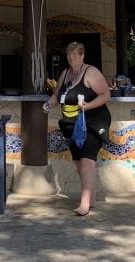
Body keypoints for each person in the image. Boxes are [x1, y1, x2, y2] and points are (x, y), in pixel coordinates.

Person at [43, 41, 111, 216]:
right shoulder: (65, 74)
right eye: (68, 54)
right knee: (78, 161)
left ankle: (84, 204)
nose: (70, 57)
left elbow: (105, 94)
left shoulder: (91, 72)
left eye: (74, 54)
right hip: (72, 125)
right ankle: (92, 197)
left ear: (82, 55)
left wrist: (88, 106)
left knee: (88, 160)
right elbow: (57, 96)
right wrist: (48, 105)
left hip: (93, 121)